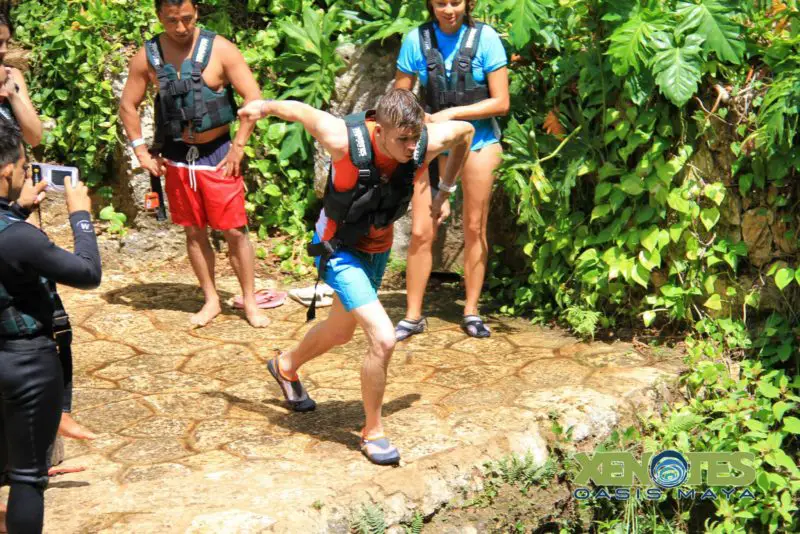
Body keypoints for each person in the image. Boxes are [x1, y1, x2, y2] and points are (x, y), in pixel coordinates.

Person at [238, 89, 474, 465]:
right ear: (379, 130)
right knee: (382, 337)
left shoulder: (425, 142)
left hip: (377, 249)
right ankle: (373, 432)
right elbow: (300, 111)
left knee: (340, 331)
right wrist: (260, 108)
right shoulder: (342, 139)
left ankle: (285, 366)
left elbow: (465, 133)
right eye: (403, 139)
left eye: (416, 137)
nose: (413, 148)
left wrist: (444, 190)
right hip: (338, 248)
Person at [119, 0, 269, 328]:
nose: (181, 27)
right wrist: (141, 151)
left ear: (196, 12)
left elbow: (254, 98)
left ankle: (251, 301)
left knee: (234, 230)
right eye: (172, 21)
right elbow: (128, 105)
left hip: (218, 154)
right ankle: (211, 299)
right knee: (193, 230)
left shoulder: (222, 50)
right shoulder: (148, 57)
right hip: (176, 157)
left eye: (187, 19)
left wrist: (239, 148)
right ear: (160, 17)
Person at [0, 5, 95, 449]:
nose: (2, 51)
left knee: (53, 319)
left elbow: (34, 136)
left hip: (17, 213)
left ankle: (59, 415)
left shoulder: (11, 79)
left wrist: (15, 94)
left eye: (5, 43)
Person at [0, 120, 102, 534]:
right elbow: (87, 272)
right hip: (25, 362)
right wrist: (80, 216)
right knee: (27, 477)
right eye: (24, 169)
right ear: (6, 173)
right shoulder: (20, 238)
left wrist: (18, 209)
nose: (27, 175)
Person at [393, 0, 509, 339]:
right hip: (432, 143)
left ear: (468, 3)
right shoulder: (417, 40)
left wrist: (452, 114)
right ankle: (412, 315)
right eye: (441, 2)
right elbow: (400, 96)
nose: (449, 9)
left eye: (455, 1)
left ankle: (471, 311)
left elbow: (500, 102)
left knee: (475, 227)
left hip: (479, 142)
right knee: (420, 231)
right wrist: (419, 119)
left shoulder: (485, 38)